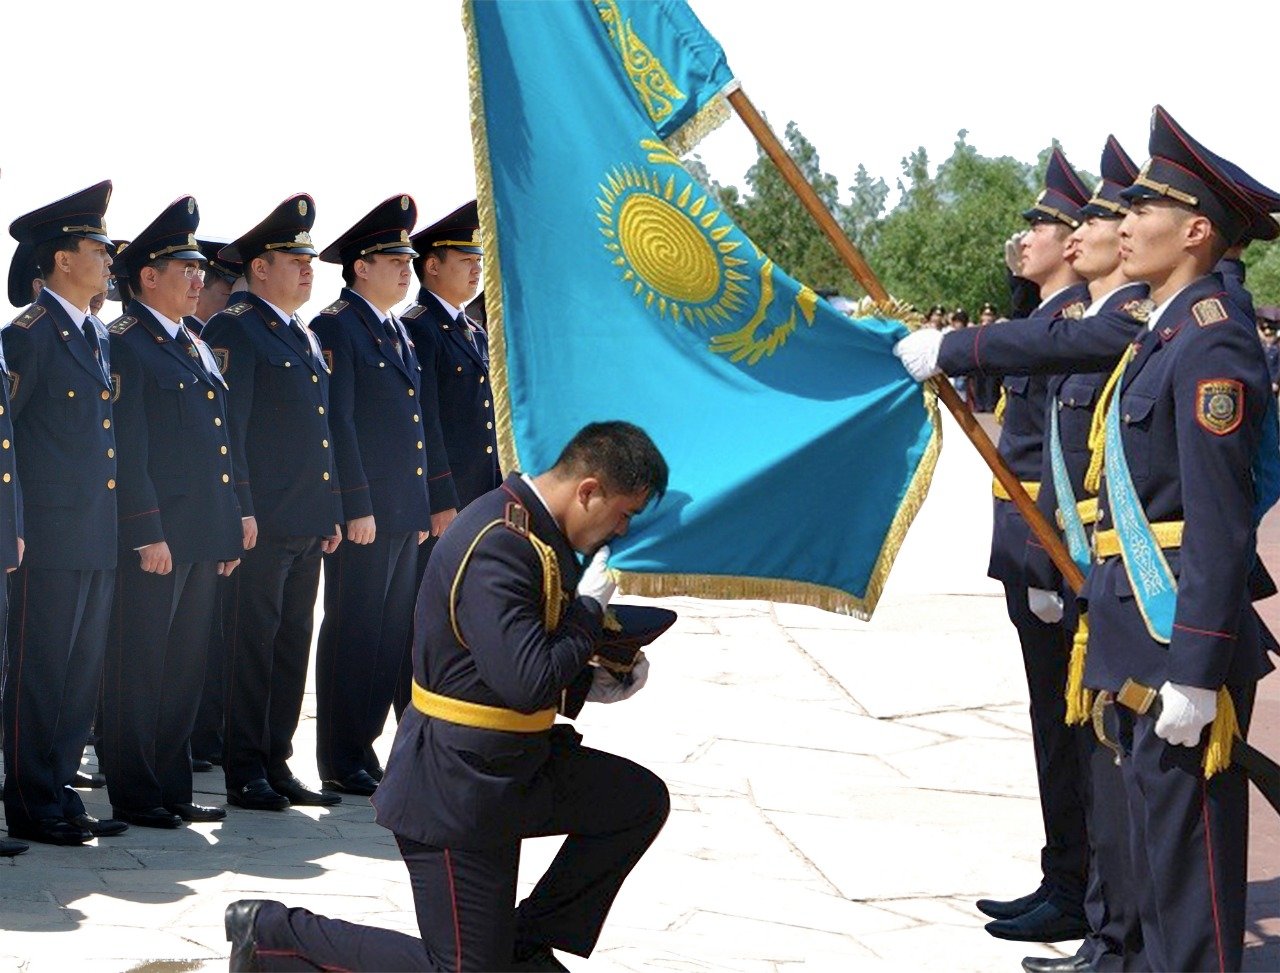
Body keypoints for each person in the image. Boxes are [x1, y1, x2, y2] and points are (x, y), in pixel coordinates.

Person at [899, 105, 1278, 973]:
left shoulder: (1213, 345)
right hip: (1130, 615)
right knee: (1148, 840)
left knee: (1190, 876)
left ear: (1192, 231)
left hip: (1172, 622)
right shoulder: (1165, 332)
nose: (1118, 226)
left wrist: (1196, 665)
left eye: (1140, 211)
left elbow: (1218, 525)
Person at [225, 421, 672, 972]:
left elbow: (499, 657)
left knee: (636, 801)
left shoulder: (532, 530)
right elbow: (525, 679)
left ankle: (523, 944)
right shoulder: (501, 542)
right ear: (589, 491)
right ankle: (270, 931)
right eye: (623, 513)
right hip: (456, 783)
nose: (621, 530)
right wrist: (585, 615)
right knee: (460, 970)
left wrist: (591, 678)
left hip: (513, 765)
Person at [99, 197, 243, 829]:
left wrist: (232, 518)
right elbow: (129, 451)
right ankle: (134, 789)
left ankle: (172, 784)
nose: (198, 279)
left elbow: (218, 441)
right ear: (146, 278)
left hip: (200, 531)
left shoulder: (194, 344)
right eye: (184, 268)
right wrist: (146, 532)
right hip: (160, 536)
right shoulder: (127, 343)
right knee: (141, 665)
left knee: (184, 667)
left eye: (199, 269)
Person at [309, 194, 453, 795]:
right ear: (359, 267)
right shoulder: (337, 325)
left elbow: (422, 425)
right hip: (367, 513)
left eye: (407, 259)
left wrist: (426, 504)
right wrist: (356, 504)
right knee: (355, 630)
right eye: (392, 258)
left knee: (390, 634)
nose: (405, 268)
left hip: (402, 511)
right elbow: (337, 424)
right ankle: (340, 756)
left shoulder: (395, 330)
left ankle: (364, 748)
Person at [203, 195, 343, 812]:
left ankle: (276, 758)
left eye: (310, 258)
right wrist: (240, 507)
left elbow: (321, 432)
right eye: (294, 258)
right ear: (260, 267)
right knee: (251, 645)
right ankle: (244, 766)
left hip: (305, 520)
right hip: (263, 521)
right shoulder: (236, 326)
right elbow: (230, 430)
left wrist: (331, 507)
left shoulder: (302, 336)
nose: (308, 268)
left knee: (290, 644)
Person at [1, 182, 127, 846]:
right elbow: (8, 440)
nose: (110, 260)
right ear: (60, 259)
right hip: (46, 536)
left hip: (94, 533)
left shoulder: (96, 337)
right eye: (98, 248)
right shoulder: (30, 337)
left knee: (80, 674)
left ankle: (57, 791)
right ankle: (28, 797)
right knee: (41, 670)